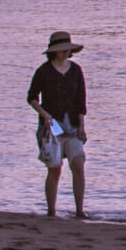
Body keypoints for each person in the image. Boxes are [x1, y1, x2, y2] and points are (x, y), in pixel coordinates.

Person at [27, 30, 88, 218]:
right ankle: (51, 211)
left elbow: (81, 101)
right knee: (54, 169)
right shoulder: (43, 71)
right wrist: (45, 115)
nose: (64, 53)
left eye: (66, 50)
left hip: (73, 126)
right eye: (61, 50)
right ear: (53, 51)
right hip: (50, 128)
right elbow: (32, 98)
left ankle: (79, 210)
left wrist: (82, 126)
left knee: (78, 163)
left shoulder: (76, 70)